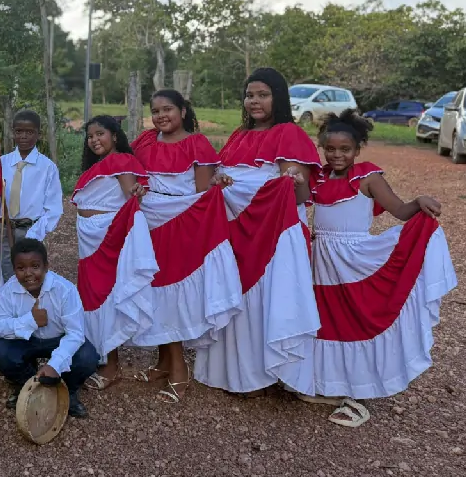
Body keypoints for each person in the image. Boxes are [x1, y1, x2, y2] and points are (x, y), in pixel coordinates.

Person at [301, 110, 457, 427]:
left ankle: (358, 393)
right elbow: (300, 200)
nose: (336, 155)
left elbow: (400, 211)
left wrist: (419, 201)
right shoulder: (318, 177)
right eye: (330, 149)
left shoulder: (368, 177)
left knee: (356, 319)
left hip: (354, 260)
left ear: (358, 149)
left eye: (345, 149)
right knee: (327, 320)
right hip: (322, 260)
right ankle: (327, 383)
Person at [194, 67, 321, 396]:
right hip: (236, 234)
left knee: (270, 298)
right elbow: (217, 181)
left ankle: (278, 372)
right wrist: (219, 183)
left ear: (278, 97)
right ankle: (242, 376)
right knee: (242, 301)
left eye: (263, 94)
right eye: (250, 95)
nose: (254, 101)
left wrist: (293, 180)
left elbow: (300, 195)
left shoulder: (289, 134)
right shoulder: (238, 136)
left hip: (274, 236)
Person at [130, 90, 242, 403]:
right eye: (155, 111)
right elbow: (133, 176)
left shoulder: (197, 143)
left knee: (172, 296)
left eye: (168, 109)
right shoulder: (145, 142)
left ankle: (180, 371)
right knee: (154, 293)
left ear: (182, 110)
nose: (161, 116)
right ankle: (163, 363)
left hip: (181, 227)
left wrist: (218, 186)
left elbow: (202, 194)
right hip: (150, 226)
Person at [71, 115, 156, 391]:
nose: (95, 140)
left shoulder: (121, 160)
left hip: (107, 236)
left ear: (115, 136)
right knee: (91, 294)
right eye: (90, 136)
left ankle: (111, 365)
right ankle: (99, 354)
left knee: (104, 294)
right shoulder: (97, 166)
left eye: (100, 134)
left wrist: (136, 192)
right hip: (89, 238)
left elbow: (130, 192)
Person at [0, 239, 98, 419]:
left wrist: (54, 365)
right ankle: (27, 385)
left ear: (46, 266)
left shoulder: (65, 290)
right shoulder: (8, 290)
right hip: (26, 341)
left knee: (88, 357)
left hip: (58, 340)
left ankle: (68, 390)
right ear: (14, 269)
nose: (28, 274)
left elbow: (75, 334)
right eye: (21, 268)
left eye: (35, 266)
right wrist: (30, 321)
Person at [0, 110, 63, 281]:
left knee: (29, 275)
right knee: (5, 272)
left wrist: (34, 233)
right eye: (19, 131)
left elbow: (54, 208)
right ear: (13, 132)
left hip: (30, 230)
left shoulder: (47, 167)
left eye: (30, 132)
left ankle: (31, 306)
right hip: (3, 230)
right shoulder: (1, 163)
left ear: (38, 134)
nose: (24, 136)